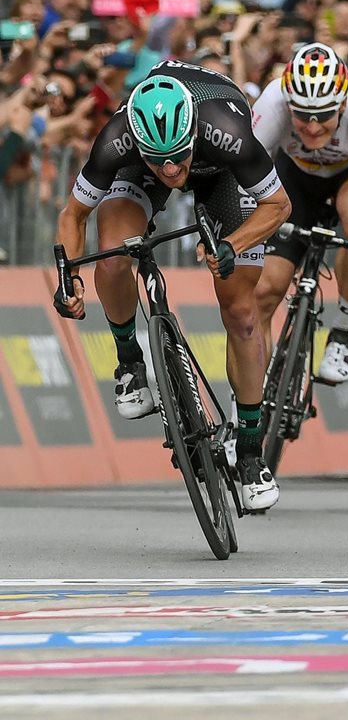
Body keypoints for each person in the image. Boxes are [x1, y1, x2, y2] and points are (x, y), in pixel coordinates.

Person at [53, 62, 292, 511]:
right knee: (113, 250)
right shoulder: (118, 139)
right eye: (158, 159)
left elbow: (278, 204)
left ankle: (251, 453)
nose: (170, 169)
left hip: (221, 172)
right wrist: (68, 277)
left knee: (242, 311)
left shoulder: (229, 130)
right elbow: (73, 215)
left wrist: (230, 245)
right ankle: (129, 363)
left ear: (192, 134)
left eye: (178, 156)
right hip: (135, 166)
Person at [252, 43, 348, 383]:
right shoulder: (272, 102)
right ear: (287, 103)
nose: (312, 127)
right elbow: (242, 182)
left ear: (342, 103)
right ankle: (247, 412)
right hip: (293, 176)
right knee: (265, 291)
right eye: (302, 115)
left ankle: (344, 329)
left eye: (324, 116)